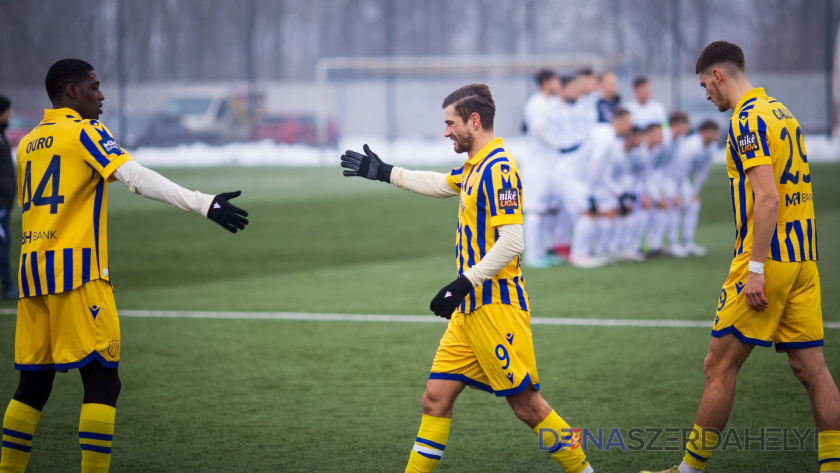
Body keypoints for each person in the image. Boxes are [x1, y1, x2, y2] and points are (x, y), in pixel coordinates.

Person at [0, 59, 249, 473]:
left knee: (33, 383)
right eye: (94, 87)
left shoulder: (27, 143)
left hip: (32, 275)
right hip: (78, 273)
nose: (101, 96)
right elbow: (134, 177)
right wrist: (204, 203)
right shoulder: (84, 131)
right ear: (71, 92)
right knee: (103, 381)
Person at [341, 84, 594, 473]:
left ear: (474, 122)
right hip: (469, 312)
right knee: (435, 399)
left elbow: (513, 242)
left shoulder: (500, 168)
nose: (446, 132)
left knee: (527, 406)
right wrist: (385, 172)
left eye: (450, 123)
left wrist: (464, 282)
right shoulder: (476, 165)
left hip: (496, 308)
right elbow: (441, 185)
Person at [645, 41, 839, 473]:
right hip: (803, 259)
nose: (706, 96)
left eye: (704, 86)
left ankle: (689, 470)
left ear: (718, 76)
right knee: (812, 368)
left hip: (767, 261)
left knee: (718, 365)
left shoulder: (746, 119)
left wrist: (754, 269)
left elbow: (767, 199)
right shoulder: (781, 111)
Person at [572, 108, 633, 264]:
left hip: (582, 178)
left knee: (599, 210)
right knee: (589, 210)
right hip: (572, 175)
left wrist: (618, 191)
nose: (630, 126)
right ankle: (578, 255)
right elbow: (595, 164)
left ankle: (591, 251)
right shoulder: (605, 135)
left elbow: (603, 173)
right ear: (622, 120)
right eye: (629, 122)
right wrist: (590, 192)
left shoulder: (610, 137)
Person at [521, 70, 564, 267]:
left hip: (550, 164)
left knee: (549, 208)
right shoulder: (536, 103)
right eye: (555, 80)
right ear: (546, 83)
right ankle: (532, 254)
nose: (559, 84)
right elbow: (539, 130)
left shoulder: (554, 104)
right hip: (536, 164)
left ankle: (544, 250)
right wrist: (560, 144)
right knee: (534, 208)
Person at [670, 119, 720, 256]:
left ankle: (687, 242)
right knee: (676, 205)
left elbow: (703, 172)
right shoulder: (691, 146)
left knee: (693, 205)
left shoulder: (712, 147)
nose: (716, 135)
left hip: (683, 178)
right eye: (713, 131)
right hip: (671, 176)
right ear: (703, 132)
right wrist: (677, 193)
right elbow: (680, 170)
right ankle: (672, 244)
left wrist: (695, 192)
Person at [645, 111, 691, 257]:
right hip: (649, 175)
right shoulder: (663, 138)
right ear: (675, 125)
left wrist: (666, 189)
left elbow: (668, 166)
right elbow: (649, 165)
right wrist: (653, 190)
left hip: (662, 176)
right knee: (657, 205)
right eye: (684, 124)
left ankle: (669, 244)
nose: (687, 128)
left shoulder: (678, 141)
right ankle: (653, 244)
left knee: (673, 203)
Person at [0, 95, 17, 299]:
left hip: (4, 202)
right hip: (0, 204)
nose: (10, 113)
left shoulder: (2, 135)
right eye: (7, 110)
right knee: (2, 246)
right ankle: (7, 286)